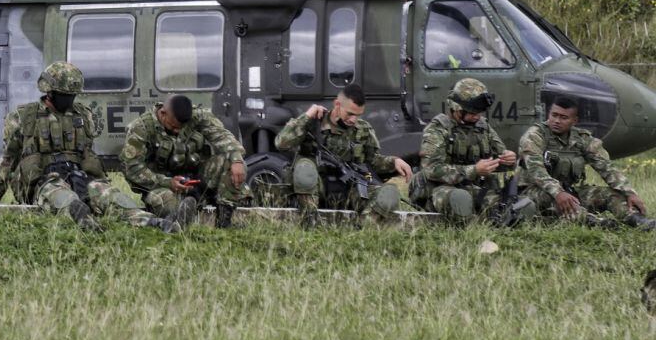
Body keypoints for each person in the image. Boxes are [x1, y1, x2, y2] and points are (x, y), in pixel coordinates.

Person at [0, 61, 179, 233]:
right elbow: (8, 160)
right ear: (49, 92)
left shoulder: (82, 115)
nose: (69, 100)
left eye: (72, 95)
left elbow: (87, 152)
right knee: (65, 199)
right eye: (64, 95)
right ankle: (85, 222)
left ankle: (157, 223)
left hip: (80, 177)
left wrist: (97, 181)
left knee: (112, 197)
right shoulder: (23, 117)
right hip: (44, 182)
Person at [275, 84, 412, 225]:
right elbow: (281, 143)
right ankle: (310, 222)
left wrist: (393, 162)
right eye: (350, 113)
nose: (353, 120)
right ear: (337, 104)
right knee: (304, 169)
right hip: (316, 186)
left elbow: (373, 161)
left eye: (358, 115)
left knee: (389, 195)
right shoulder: (314, 122)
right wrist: (308, 115)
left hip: (349, 186)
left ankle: (362, 230)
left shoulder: (363, 129)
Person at [518, 96, 654, 230]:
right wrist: (558, 192)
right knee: (562, 202)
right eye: (554, 115)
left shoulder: (582, 139)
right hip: (533, 193)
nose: (557, 121)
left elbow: (606, 167)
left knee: (611, 194)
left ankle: (636, 220)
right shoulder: (535, 135)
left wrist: (630, 193)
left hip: (567, 192)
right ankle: (596, 223)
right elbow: (535, 170)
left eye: (564, 117)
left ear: (574, 120)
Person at [120, 94, 249, 228]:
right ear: (163, 113)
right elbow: (132, 168)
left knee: (230, 163)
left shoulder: (198, 116)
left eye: (182, 127)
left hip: (196, 178)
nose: (178, 131)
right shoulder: (141, 128)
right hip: (161, 185)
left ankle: (224, 219)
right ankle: (179, 217)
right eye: (174, 127)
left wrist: (237, 159)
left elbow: (222, 136)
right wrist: (168, 182)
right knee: (167, 202)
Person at [415, 78, 528, 225]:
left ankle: (490, 220)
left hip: (477, 189)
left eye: (479, 113)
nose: (476, 116)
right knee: (460, 200)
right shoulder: (437, 129)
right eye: (471, 113)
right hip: (441, 189)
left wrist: (508, 160)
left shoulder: (483, 127)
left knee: (524, 207)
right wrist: (473, 170)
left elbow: (499, 158)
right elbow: (431, 169)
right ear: (456, 108)